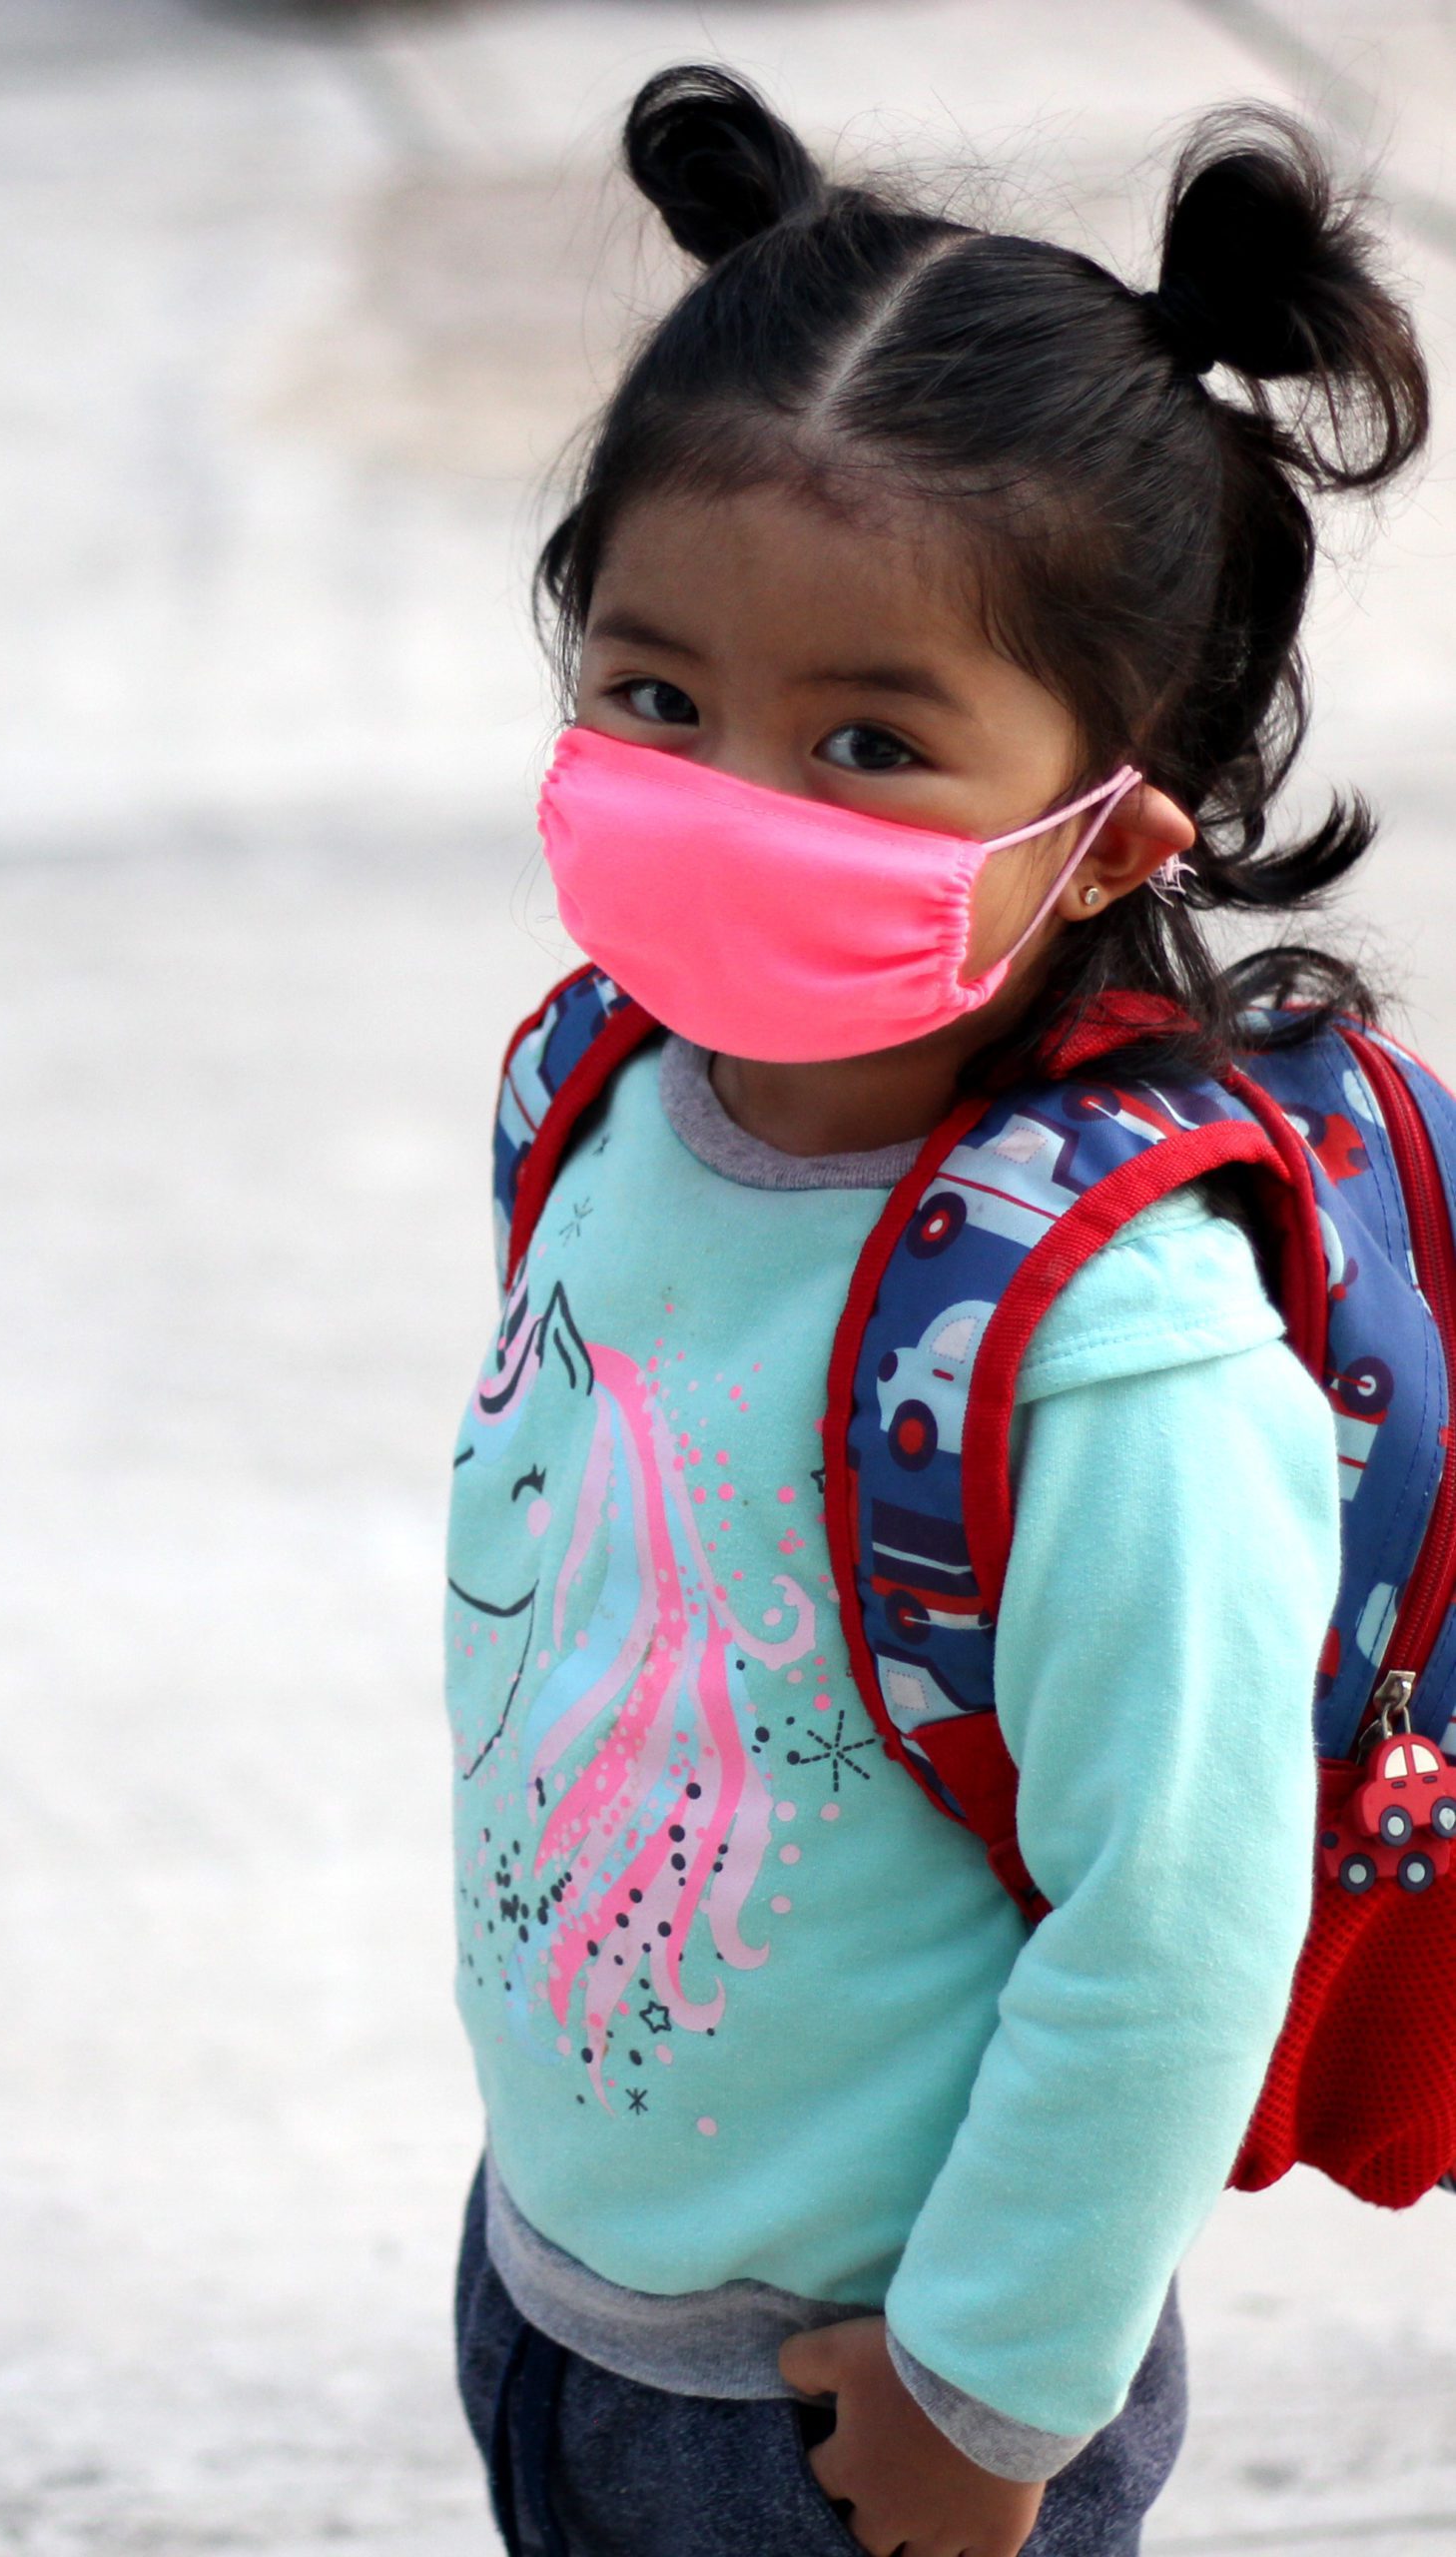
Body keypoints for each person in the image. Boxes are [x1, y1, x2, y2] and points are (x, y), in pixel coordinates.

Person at [442, 63, 1429, 2557]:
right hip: (565, 2272)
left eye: (866, 739)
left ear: (1110, 821)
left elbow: (1176, 1918)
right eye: (655, 693)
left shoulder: (1111, 1332)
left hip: (857, 2382)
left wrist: (983, 2399)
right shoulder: (605, 1098)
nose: (728, 791)